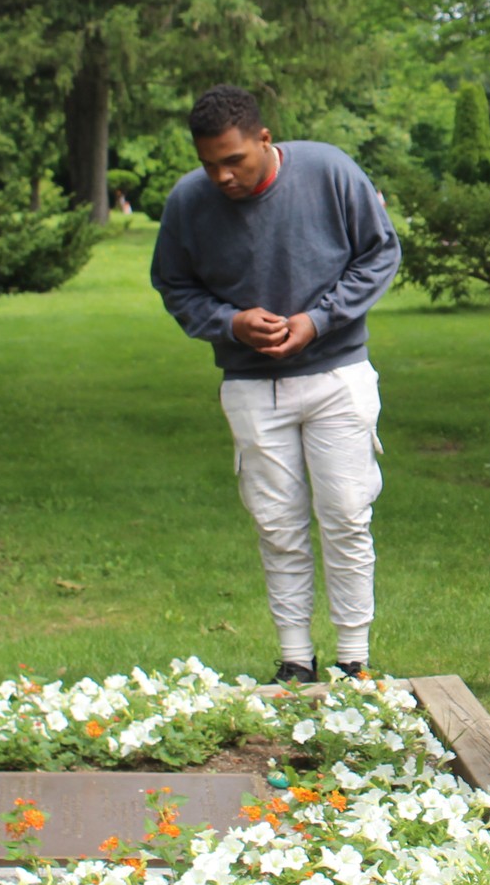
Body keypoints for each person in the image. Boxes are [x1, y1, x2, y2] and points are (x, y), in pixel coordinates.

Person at [151, 85, 401, 682]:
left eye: (234, 159)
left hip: (337, 374)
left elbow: (379, 253)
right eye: (209, 163)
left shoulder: (329, 171)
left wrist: (317, 321)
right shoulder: (188, 201)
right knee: (277, 522)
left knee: (345, 514)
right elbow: (174, 284)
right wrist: (229, 323)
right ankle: (294, 660)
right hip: (250, 384)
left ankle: (354, 660)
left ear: (265, 139)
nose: (222, 176)